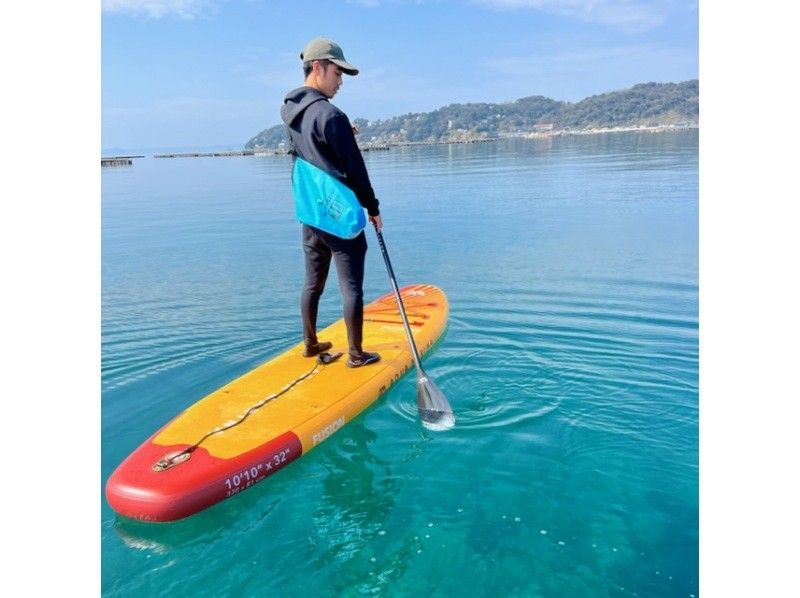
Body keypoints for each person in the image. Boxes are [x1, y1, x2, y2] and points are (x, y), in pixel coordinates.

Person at [280, 37, 382, 368]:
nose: (340, 83)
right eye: (338, 74)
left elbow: (313, 145)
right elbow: (356, 170)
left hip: (311, 214)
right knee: (352, 288)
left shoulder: (290, 111)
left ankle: (310, 343)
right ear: (319, 67)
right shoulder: (331, 115)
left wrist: (342, 131)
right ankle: (356, 354)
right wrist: (374, 208)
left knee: (313, 284)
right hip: (338, 216)